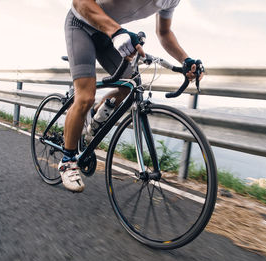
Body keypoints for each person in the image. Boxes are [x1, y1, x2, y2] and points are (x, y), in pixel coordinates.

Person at [59, 0, 203, 192]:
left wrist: (185, 60)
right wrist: (117, 32)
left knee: (130, 86)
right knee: (85, 96)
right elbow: (79, 2)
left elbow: (164, 33)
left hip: (106, 34)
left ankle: (94, 119)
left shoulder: (171, 1)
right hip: (81, 24)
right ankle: (67, 161)